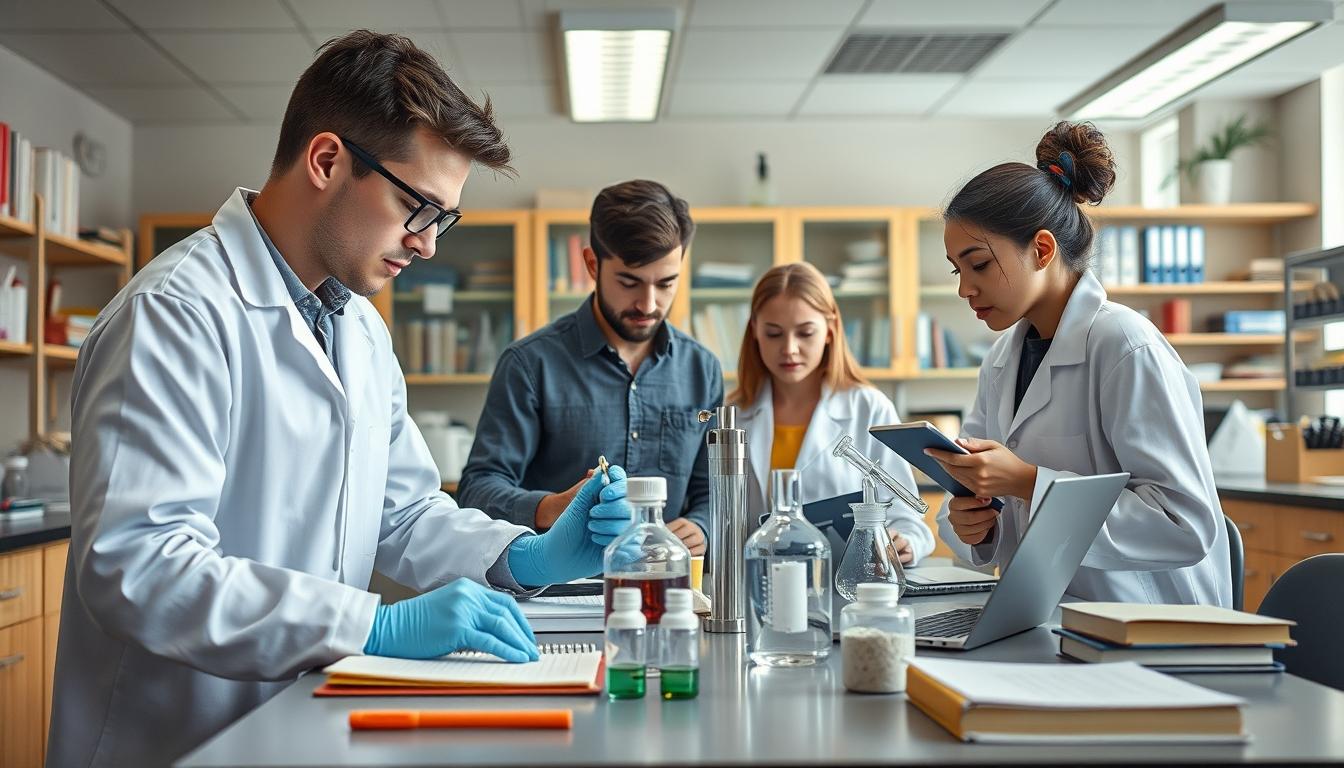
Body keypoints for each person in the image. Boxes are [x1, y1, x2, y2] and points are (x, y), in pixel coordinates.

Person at [49, 31, 635, 768]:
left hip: (305, 723)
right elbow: (139, 566)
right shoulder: (175, 312)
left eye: (442, 220)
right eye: (416, 206)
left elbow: (406, 511)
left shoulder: (356, 325)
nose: (427, 245)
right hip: (173, 739)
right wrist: (371, 627)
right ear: (327, 160)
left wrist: (528, 555)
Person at [927, 121, 1231, 606]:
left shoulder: (1126, 345)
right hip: (1048, 619)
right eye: (957, 270)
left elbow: (1183, 526)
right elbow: (994, 520)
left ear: (1042, 250)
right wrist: (975, 525)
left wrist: (1027, 481)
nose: (965, 288)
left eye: (978, 264)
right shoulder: (1003, 361)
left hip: (1151, 631)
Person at [457, 180, 722, 556]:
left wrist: (702, 525)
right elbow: (478, 489)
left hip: (666, 586)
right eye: (630, 282)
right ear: (592, 265)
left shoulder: (702, 370)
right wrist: (553, 507)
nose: (648, 304)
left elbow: (709, 491)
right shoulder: (529, 364)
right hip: (555, 590)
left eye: (666, 283)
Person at [729, 262, 933, 564]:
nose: (790, 349)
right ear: (755, 331)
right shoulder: (734, 415)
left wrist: (904, 544)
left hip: (844, 591)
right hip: (758, 589)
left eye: (805, 333)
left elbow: (909, 521)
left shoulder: (869, 408)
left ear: (830, 329)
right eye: (774, 334)